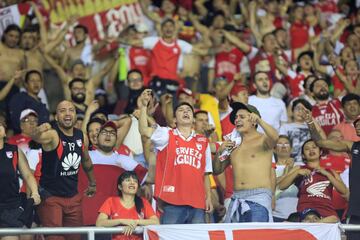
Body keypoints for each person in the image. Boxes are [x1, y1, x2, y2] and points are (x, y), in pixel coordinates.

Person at [139, 89, 213, 224]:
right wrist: (143, 106)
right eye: (181, 110)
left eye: (189, 110)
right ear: (174, 119)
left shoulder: (203, 141)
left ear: (193, 119)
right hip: (172, 201)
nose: (185, 112)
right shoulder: (167, 134)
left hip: (197, 203)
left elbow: (206, 173)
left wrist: (208, 197)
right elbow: (144, 131)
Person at [32, 100, 96, 240]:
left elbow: (86, 161)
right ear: (56, 117)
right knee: (55, 238)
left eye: (71, 110)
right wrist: (39, 129)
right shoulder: (53, 135)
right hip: (51, 198)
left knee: (75, 237)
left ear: (75, 114)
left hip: (73, 197)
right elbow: (36, 137)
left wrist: (92, 183)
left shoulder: (81, 136)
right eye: (62, 110)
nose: (67, 113)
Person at [213, 102, 278, 222]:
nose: (237, 120)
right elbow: (217, 170)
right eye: (236, 117)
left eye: (242, 117)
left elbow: (275, 137)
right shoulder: (234, 144)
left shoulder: (263, 140)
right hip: (236, 197)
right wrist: (219, 152)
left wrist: (260, 121)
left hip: (258, 198)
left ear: (254, 121)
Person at [307, 116, 360, 239]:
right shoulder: (353, 146)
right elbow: (320, 143)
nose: (357, 126)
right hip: (356, 209)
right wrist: (310, 122)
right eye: (356, 124)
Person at [278, 139, 348, 223]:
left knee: (334, 219)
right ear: (303, 156)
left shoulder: (330, 171)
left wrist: (327, 174)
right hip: (305, 212)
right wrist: (297, 173)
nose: (311, 150)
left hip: (327, 212)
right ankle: (315, 223)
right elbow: (281, 186)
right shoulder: (299, 168)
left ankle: (316, 223)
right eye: (307, 149)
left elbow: (344, 192)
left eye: (314, 147)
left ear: (320, 152)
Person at [0, 121, 41, 239]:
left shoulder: (14, 150)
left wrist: (35, 192)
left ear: (5, 131)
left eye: (0, 124)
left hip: (13, 207)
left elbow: (28, 175)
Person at [96, 171, 159, 240]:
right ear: (120, 187)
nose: (132, 183)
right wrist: (121, 221)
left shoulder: (143, 202)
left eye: (135, 181)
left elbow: (155, 222)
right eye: (128, 180)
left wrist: (135, 222)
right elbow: (100, 223)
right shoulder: (111, 201)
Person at [273, 136, 298, 222]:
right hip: (275, 215)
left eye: (286, 144)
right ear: (274, 149)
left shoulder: (299, 167)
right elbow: (269, 185)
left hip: (296, 215)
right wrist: (288, 170)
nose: (283, 146)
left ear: (291, 149)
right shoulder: (269, 168)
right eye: (279, 144)